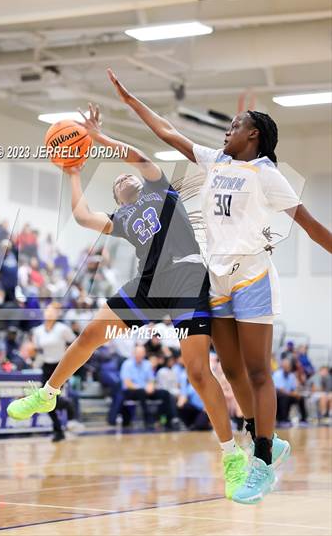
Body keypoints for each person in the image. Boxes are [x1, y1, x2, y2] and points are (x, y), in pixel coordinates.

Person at [106, 68, 332, 503]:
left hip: (252, 275)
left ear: (254, 136)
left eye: (235, 126)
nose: (228, 130)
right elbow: (170, 133)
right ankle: (268, 439)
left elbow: (310, 226)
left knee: (258, 371)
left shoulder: (268, 174)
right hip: (217, 276)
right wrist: (132, 101)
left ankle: (262, 461)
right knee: (229, 371)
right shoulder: (217, 161)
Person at [8, 104, 250, 499]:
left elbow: (138, 158)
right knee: (90, 333)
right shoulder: (123, 217)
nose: (124, 177)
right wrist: (72, 174)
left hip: (187, 275)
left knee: (197, 372)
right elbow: (84, 217)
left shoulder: (160, 190)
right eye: (118, 181)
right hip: (148, 285)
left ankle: (231, 456)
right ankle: (48, 394)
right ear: (120, 200)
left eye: (127, 177)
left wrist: (101, 139)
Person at [31, 302, 77, 442]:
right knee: (44, 401)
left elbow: (76, 344)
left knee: (50, 399)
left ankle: (66, 407)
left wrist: (70, 361)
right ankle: (59, 429)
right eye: (47, 311)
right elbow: (37, 349)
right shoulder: (37, 331)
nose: (49, 313)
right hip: (46, 366)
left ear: (57, 314)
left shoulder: (63, 329)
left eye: (52, 311)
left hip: (60, 366)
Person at [120, 345, 174, 429]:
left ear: (144, 354)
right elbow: (127, 383)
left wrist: (151, 386)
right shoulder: (127, 364)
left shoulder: (147, 364)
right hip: (131, 390)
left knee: (165, 393)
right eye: (138, 353)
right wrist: (142, 388)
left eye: (142, 353)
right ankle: (148, 419)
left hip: (145, 390)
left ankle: (164, 419)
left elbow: (151, 379)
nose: (140, 355)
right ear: (134, 353)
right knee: (141, 392)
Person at [273, 358, 308, 425]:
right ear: (282, 366)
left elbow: (294, 388)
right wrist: (293, 394)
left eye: (288, 366)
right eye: (285, 366)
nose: (287, 367)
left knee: (301, 398)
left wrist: (296, 393)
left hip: (289, 395)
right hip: (278, 396)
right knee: (284, 397)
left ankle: (303, 419)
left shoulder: (291, 375)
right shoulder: (277, 374)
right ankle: (283, 420)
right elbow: (281, 390)